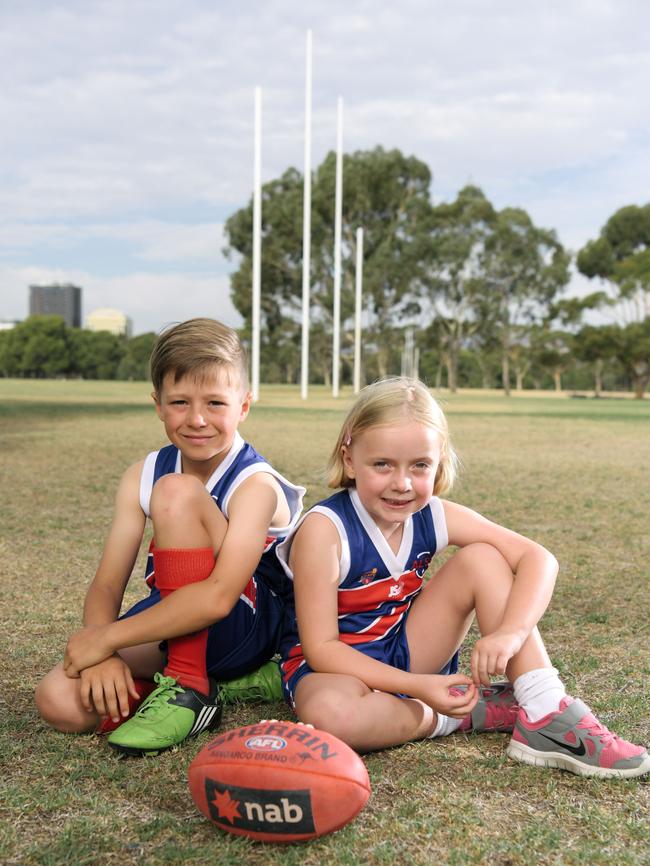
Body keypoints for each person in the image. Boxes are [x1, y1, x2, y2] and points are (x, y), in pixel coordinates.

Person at [278, 377, 649, 778]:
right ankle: (468, 712)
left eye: (420, 466)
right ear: (350, 459)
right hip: (334, 670)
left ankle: (545, 709)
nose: (402, 483)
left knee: (483, 560)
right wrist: (420, 687)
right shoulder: (325, 530)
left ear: (439, 462)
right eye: (382, 464)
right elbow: (322, 649)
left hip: (404, 647)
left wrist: (510, 633)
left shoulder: (433, 514)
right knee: (333, 716)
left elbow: (539, 559)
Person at [35, 318, 304, 755]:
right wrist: (101, 655)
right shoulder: (143, 473)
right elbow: (107, 583)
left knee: (178, 493)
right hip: (174, 615)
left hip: (247, 625)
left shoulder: (255, 484)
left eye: (215, 402)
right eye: (180, 401)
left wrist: (106, 640)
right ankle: (204, 694)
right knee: (59, 700)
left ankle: (188, 684)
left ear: (244, 405)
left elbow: (219, 597)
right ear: (158, 404)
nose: (197, 419)